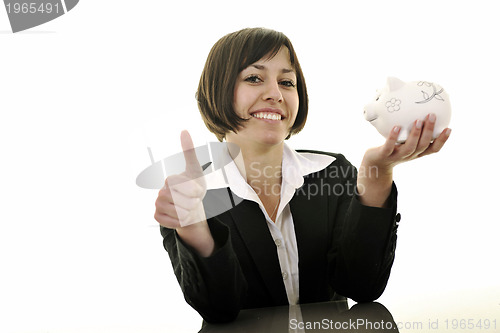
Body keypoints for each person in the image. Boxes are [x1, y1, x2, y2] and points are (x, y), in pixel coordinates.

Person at [154, 27, 451, 323]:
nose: (275, 94)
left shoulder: (333, 173)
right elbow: (220, 309)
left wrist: (378, 175)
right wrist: (194, 224)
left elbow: (362, 287)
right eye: (254, 78)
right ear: (218, 89)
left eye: (286, 82)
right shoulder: (189, 194)